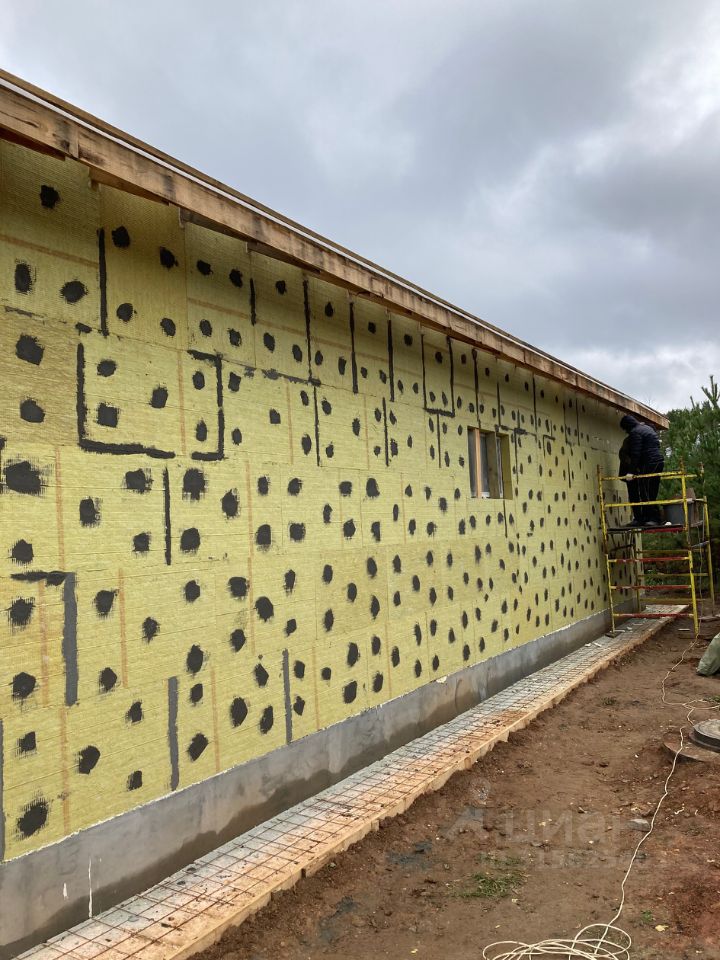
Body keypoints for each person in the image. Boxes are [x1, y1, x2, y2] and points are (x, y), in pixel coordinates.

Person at [619, 415, 664, 526]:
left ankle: (653, 518)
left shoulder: (635, 433)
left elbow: (636, 453)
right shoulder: (647, 429)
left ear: (627, 426)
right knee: (649, 491)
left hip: (648, 463)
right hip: (656, 461)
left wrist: (631, 471)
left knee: (646, 491)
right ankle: (647, 518)